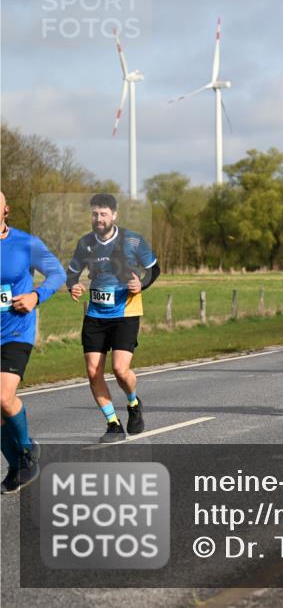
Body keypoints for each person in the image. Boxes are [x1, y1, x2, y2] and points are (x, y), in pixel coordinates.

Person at [65, 193, 159, 443]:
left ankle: (133, 402)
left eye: (104, 214)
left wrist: (142, 284)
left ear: (114, 215)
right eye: (95, 214)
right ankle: (113, 424)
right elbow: (72, 272)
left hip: (125, 312)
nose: (99, 218)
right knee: (93, 371)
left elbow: (153, 269)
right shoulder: (85, 243)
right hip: (95, 314)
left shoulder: (132, 241)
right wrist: (72, 286)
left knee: (119, 369)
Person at [1, 191, 66, 493]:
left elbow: (56, 273)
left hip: (16, 330)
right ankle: (17, 465)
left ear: (6, 210)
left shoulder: (25, 242)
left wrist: (35, 296)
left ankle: (25, 451)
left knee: (3, 396)